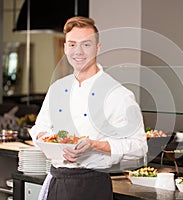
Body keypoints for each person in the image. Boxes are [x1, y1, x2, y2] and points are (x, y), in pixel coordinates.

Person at [29, 16, 148, 200]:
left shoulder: (117, 93)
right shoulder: (57, 89)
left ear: (98, 47)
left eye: (86, 44)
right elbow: (39, 128)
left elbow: (139, 146)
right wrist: (48, 141)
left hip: (92, 185)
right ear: (65, 48)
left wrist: (94, 145)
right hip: (58, 182)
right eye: (72, 44)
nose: (78, 51)